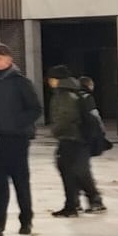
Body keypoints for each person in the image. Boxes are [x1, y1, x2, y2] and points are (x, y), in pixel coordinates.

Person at [0, 42, 42, 236]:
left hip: (17, 139)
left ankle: (26, 220)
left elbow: (35, 108)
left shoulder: (21, 82)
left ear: (9, 59)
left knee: (20, 181)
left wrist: (17, 123)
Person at [46, 67, 103, 216]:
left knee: (76, 171)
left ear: (57, 79)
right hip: (73, 138)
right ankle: (73, 204)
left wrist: (55, 130)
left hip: (73, 138)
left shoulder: (65, 95)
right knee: (71, 171)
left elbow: (66, 118)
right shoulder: (69, 92)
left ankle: (91, 200)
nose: (49, 81)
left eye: (51, 78)